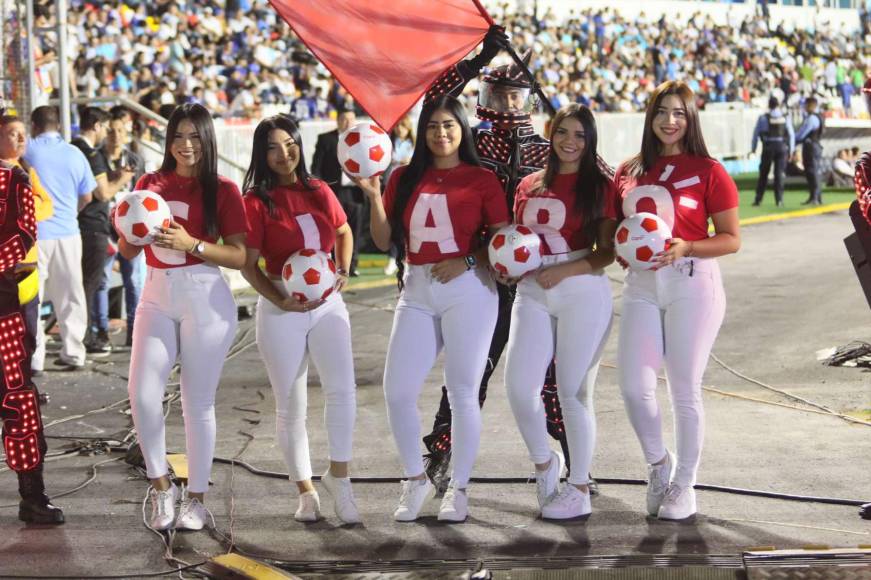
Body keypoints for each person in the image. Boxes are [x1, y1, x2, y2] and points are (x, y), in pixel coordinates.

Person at [421, 27, 576, 493]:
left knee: (552, 377)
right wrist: (478, 57)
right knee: (470, 373)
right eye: (499, 95)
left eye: (515, 97)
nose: (507, 105)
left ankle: (573, 460)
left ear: (528, 100)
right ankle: (442, 454)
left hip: (539, 282)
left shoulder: (551, 149)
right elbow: (435, 103)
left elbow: (602, 182)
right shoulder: (469, 143)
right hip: (482, 277)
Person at [357, 95, 508, 522]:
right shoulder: (403, 176)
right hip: (417, 289)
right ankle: (415, 479)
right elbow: (385, 240)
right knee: (397, 391)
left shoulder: (482, 179)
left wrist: (469, 258)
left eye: (449, 125)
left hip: (469, 288)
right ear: (422, 133)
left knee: (462, 392)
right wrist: (373, 196)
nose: (441, 133)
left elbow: (500, 239)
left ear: (462, 129)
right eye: (432, 126)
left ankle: (458, 489)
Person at [614, 81, 740, 520]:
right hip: (642, 287)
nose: (670, 120)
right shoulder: (628, 170)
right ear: (650, 117)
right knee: (633, 386)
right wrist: (623, 249)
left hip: (692, 281)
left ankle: (685, 484)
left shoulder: (710, 170)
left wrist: (687, 246)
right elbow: (618, 233)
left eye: (679, 113)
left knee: (684, 390)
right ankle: (658, 465)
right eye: (662, 111)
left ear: (691, 119)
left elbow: (731, 239)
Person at [119, 103, 247, 531]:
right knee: (141, 394)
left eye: (194, 136)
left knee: (197, 402)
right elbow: (128, 251)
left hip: (204, 292)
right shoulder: (149, 184)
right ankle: (161, 488)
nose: (186, 145)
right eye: (178, 136)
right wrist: (128, 232)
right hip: (156, 290)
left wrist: (193, 243)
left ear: (207, 139)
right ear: (168, 139)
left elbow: (239, 255)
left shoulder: (224, 189)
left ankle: (196, 498)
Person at [240, 115, 360, 524]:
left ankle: (340, 480)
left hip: (328, 305)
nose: (283, 153)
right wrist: (279, 299)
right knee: (292, 405)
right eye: (272, 147)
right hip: (281, 309)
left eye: (289, 143)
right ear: (262, 153)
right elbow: (248, 265)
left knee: (342, 391)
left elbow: (343, 232)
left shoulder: (319, 189)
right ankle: (305, 490)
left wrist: (342, 270)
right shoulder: (255, 201)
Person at [504, 104, 617, 520]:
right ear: (550, 135)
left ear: (590, 142)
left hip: (581, 287)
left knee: (572, 392)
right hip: (532, 289)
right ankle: (545, 463)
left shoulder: (600, 185)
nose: (570, 142)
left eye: (580, 135)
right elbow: (518, 239)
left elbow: (606, 252)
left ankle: (581, 485)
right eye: (563, 132)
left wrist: (565, 270)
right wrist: (510, 266)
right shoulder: (528, 185)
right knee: (518, 389)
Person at [0, 108, 64, 524]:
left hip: (3, 311)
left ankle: (32, 495)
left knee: (18, 399)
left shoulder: (16, 181)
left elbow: (23, 234)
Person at [24, 106, 95, 372]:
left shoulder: (27, 150)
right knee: (71, 295)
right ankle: (74, 352)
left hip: (34, 235)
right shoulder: (75, 153)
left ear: (33, 125)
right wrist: (69, 214)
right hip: (68, 233)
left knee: (32, 298)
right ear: (59, 126)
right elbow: (87, 196)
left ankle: (34, 358)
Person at [71, 107, 135, 356]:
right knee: (90, 284)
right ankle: (87, 336)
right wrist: (123, 178)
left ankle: (86, 334)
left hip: (76, 226)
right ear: (97, 126)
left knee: (88, 284)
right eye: (107, 128)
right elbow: (103, 193)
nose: (108, 134)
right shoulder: (91, 154)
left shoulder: (71, 148)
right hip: (93, 227)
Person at [100, 106, 146, 348]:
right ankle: (101, 334)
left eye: (119, 130)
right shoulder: (97, 157)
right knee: (103, 281)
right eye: (111, 131)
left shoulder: (134, 160)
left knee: (133, 281)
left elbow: (143, 192)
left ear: (125, 133)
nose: (115, 135)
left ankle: (135, 333)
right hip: (104, 229)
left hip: (130, 230)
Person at [311, 107, 364, 276]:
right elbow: (316, 167)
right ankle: (333, 264)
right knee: (333, 229)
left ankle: (351, 265)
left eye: (351, 119)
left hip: (355, 191)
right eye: (344, 119)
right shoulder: (326, 139)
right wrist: (319, 191)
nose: (348, 122)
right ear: (338, 120)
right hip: (333, 192)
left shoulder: (362, 140)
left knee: (354, 229)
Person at [383, 116, 416, 276]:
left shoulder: (414, 145)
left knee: (406, 224)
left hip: (408, 188)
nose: (399, 130)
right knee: (393, 224)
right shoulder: (388, 143)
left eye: (403, 127)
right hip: (390, 187)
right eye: (397, 127)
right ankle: (393, 258)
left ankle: (404, 258)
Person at [751, 96, 794, 207]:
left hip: (768, 147)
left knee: (764, 174)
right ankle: (779, 200)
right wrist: (791, 150)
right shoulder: (785, 117)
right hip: (781, 147)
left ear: (769, 105)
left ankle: (758, 199)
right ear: (778, 104)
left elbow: (756, 134)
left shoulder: (763, 118)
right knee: (779, 174)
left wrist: (754, 148)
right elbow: (791, 134)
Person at [795, 96, 825, 206]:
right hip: (813, 146)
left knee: (812, 172)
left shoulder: (812, 118)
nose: (804, 107)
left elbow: (802, 133)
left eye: (805, 105)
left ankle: (815, 197)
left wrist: (794, 138)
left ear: (810, 105)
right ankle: (815, 196)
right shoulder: (817, 116)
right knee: (811, 171)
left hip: (811, 147)